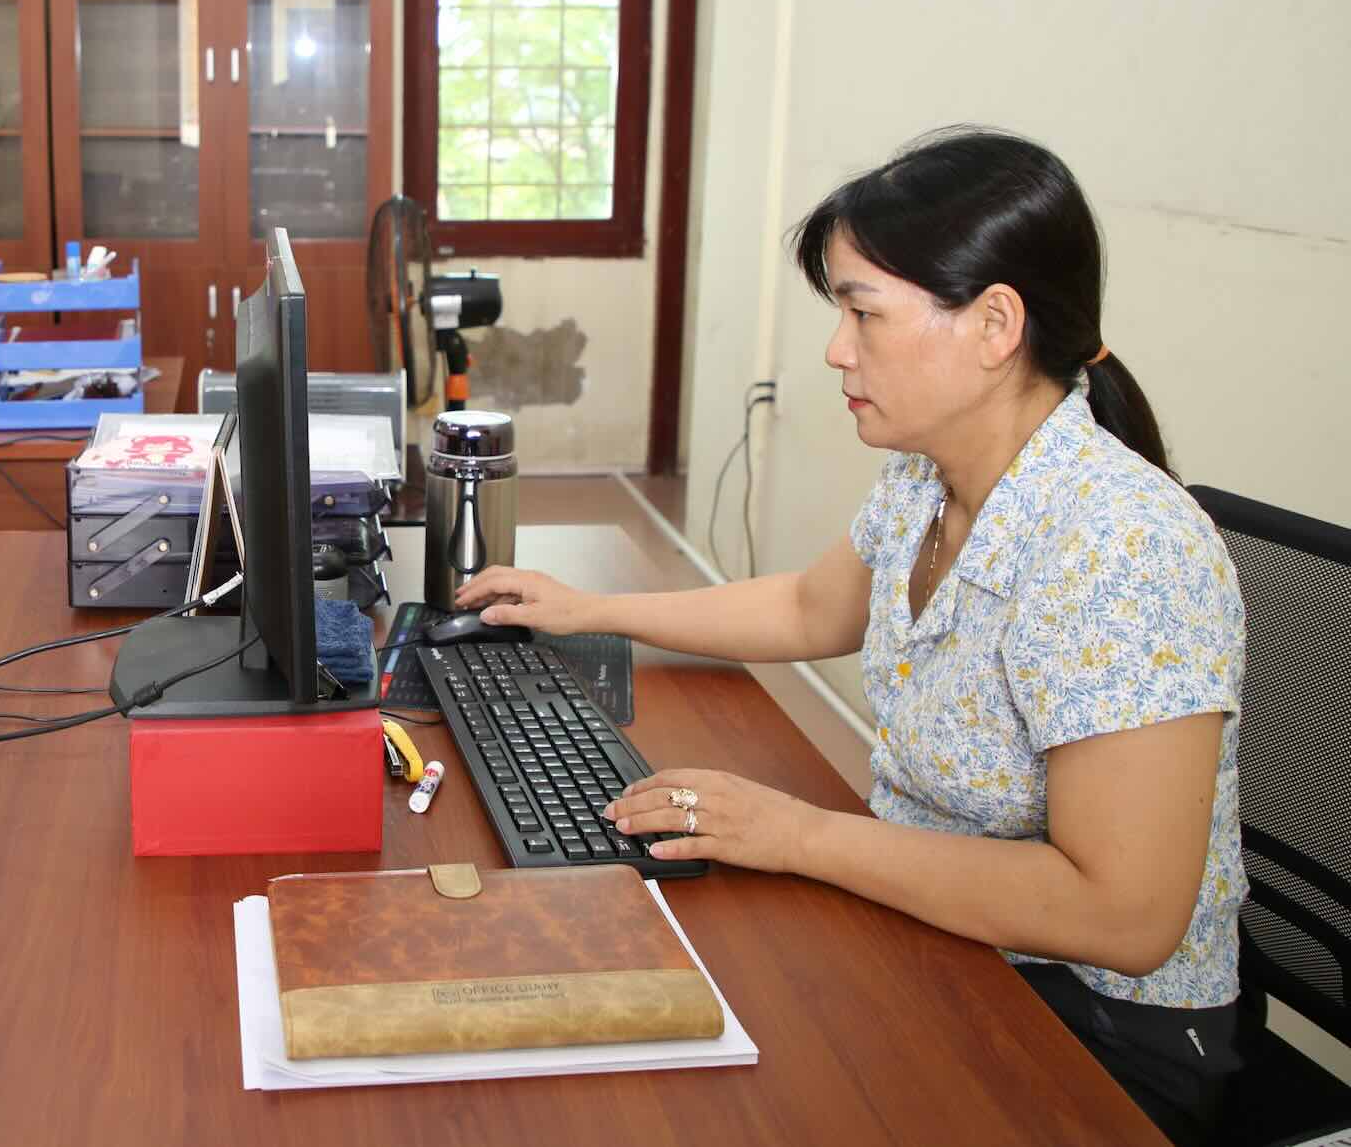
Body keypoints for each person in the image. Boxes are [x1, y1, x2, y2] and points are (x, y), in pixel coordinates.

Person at [456, 128, 1249, 1146]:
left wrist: (799, 835)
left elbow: (1122, 918)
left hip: (1093, 1032)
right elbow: (806, 609)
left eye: (862, 312)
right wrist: (588, 609)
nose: (836, 348)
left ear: (993, 324)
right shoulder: (930, 474)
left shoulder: (1123, 552)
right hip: (937, 927)